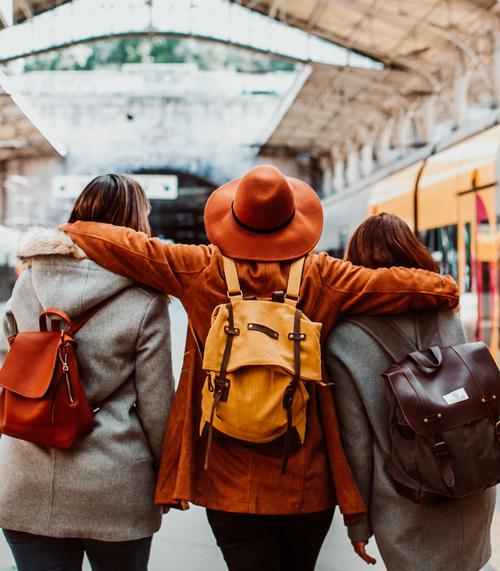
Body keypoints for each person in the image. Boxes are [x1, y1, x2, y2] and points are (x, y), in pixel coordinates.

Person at [60, 165, 460, 571]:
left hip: (226, 480)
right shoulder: (324, 275)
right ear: (293, 221)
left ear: (233, 218)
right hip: (305, 482)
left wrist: (71, 230)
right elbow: (409, 285)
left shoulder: (199, 267)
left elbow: (118, 242)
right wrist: (447, 288)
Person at [0, 174, 174, 571]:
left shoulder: (28, 280)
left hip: (27, 476)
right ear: (136, 226)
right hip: (114, 486)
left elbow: (10, 362)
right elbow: (157, 403)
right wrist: (168, 475)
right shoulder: (145, 296)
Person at [324, 213, 496, 571]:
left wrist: (358, 523)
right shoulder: (444, 310)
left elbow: (357, 443)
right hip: (470, 480)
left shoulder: (344, 337)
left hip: (407, 500)